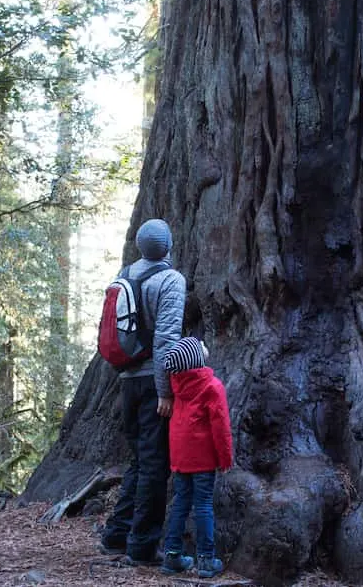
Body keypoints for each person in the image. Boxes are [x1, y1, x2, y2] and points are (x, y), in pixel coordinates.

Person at [101, 218, 186, 565]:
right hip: (153, 383)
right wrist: (166, 390)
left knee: (139, 460)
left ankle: (116, 534)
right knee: (154, 465)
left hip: (126, 381)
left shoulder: (123, 276)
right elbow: (167, 339)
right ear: (167, 247)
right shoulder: (170, 280)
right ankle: (142, 546)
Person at [159, 337, 233, 578]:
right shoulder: (212, 386)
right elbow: (220, 426)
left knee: (180, 503)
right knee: (203, 506)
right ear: (196, 359)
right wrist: (225, 458)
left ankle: (171, 556)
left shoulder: (177, 385)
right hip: (203, 459)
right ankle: (206, 560)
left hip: (180, 457)